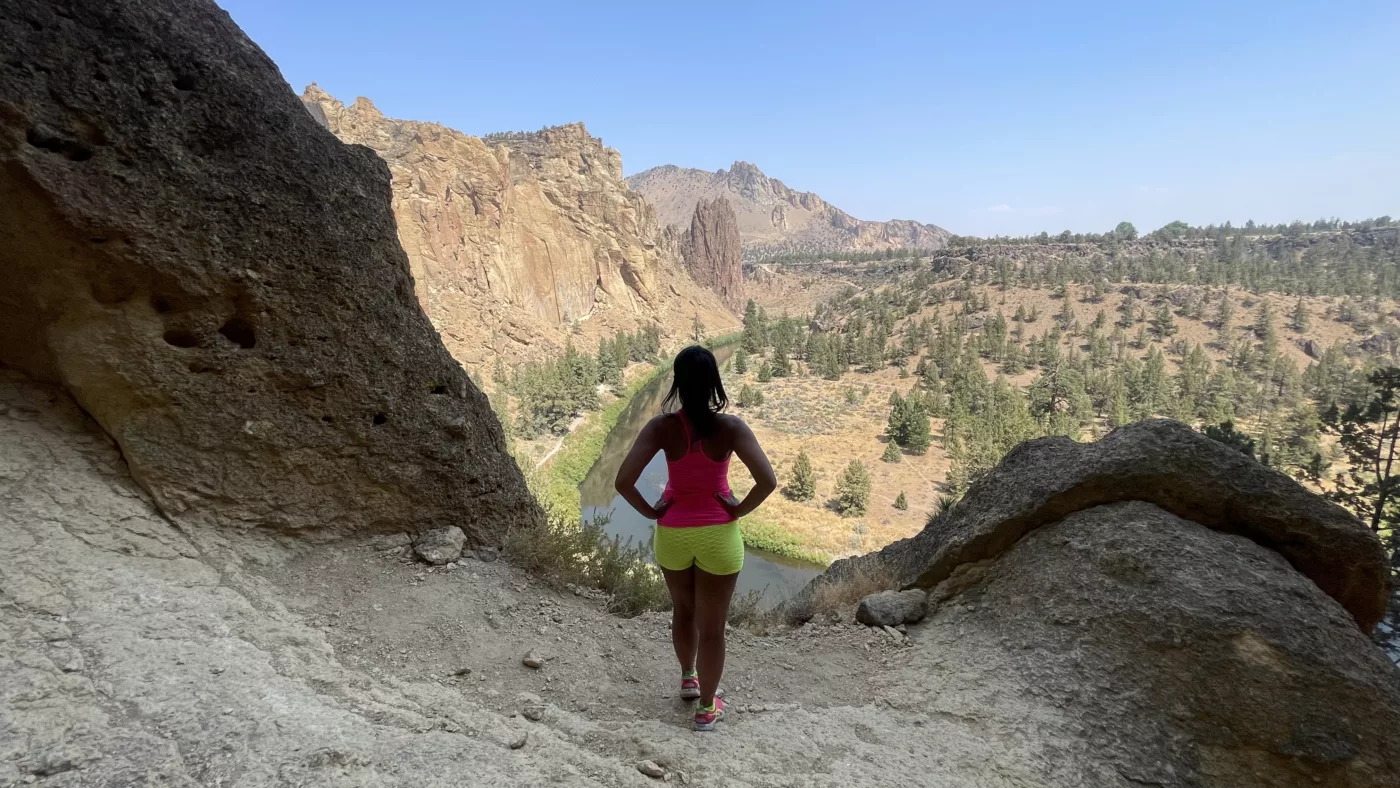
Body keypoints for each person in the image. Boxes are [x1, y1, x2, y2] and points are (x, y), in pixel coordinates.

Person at [614, 345, 776, 731]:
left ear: (678, 383)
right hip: (719, 536)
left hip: (673, 535)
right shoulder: (731, 427)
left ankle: (688, 677)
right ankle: (706, 708)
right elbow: (767, 481)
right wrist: (736, 509)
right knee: (713, 627)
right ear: (713, 384)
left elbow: (622, 482)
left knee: (683, 611)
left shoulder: (661, 427)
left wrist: (652, 512)